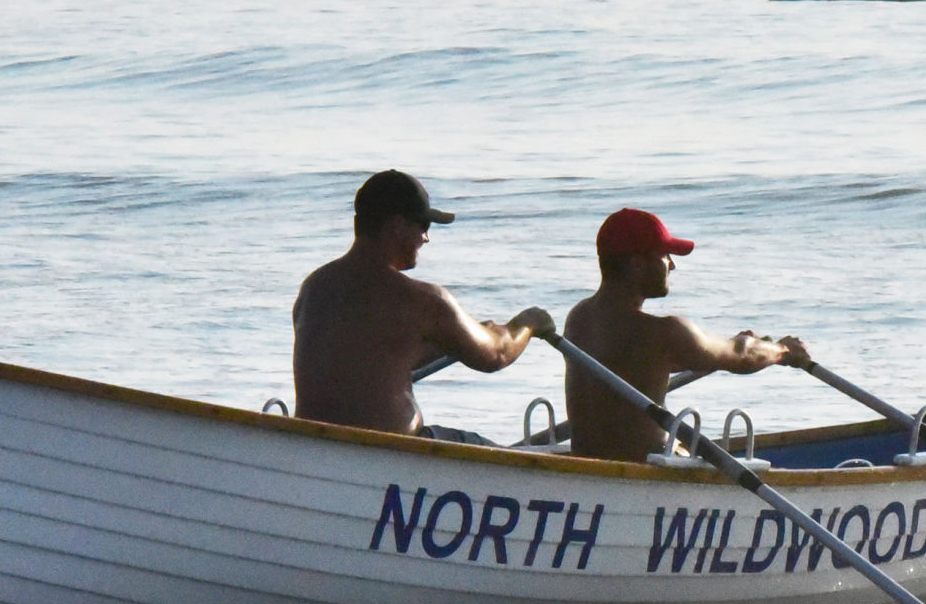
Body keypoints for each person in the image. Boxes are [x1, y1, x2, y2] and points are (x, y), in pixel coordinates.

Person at [293, 170, 554, 439]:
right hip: (391, 452)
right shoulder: (422, 301)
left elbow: (371, 356)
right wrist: (528, 323)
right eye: (423, 226)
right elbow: (497, 353)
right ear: (396, 226)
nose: (426, 239)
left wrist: (456, 337)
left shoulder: (314, 288)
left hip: (312, 445)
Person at [563, 209, 810, 463]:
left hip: (587, 460)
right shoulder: (663, 333)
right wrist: (782, 350)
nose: (672, 264)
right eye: (664, 255)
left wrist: (710, 354)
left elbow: (635, 362)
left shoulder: (578, 319)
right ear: (637, 264)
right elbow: (741, 355)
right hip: (644, 471)